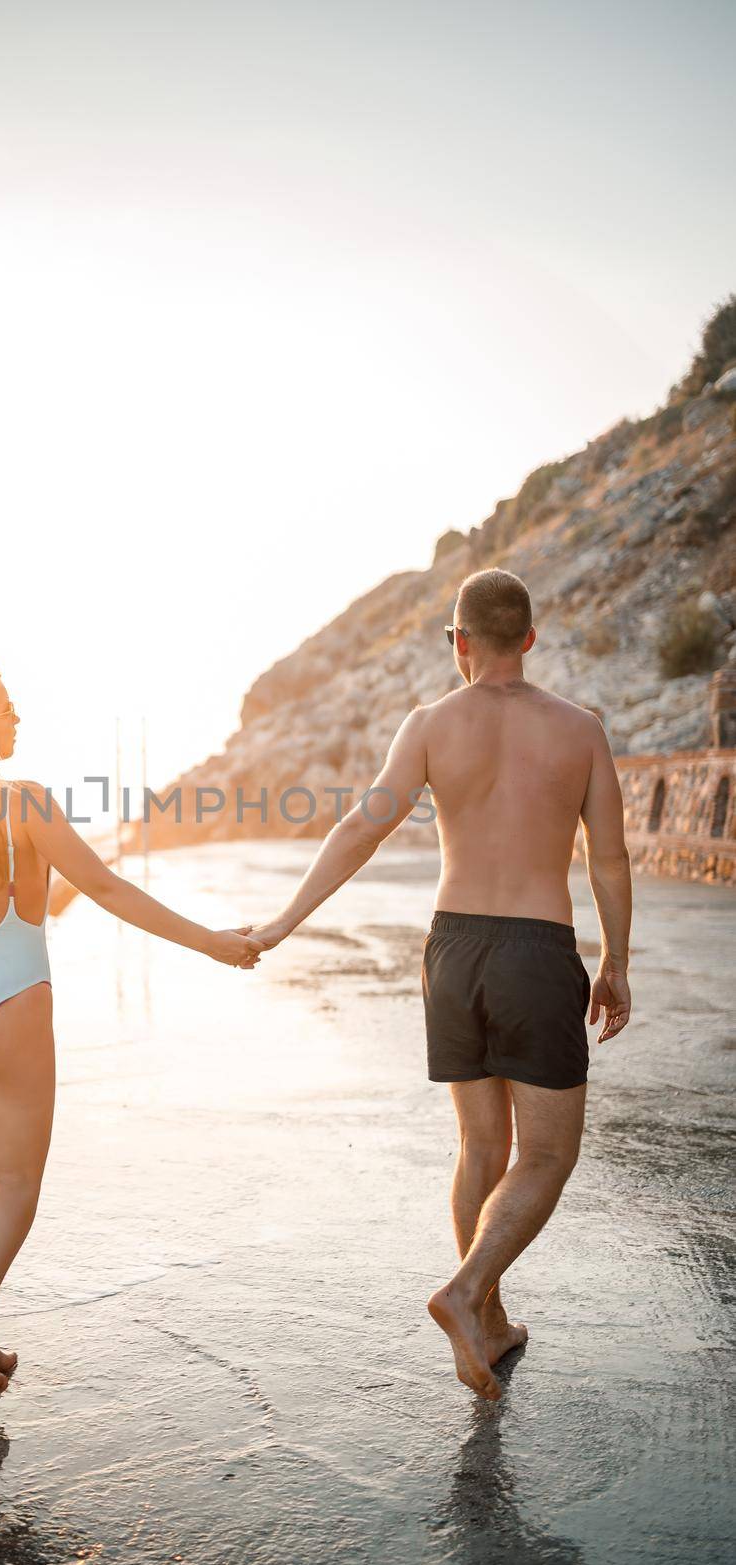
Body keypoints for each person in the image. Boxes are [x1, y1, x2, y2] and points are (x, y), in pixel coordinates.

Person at [252, 568, 632, 1399]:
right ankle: (465, 1295)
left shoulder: (427, 724)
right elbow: (606, 857)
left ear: (456, 642)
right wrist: (613, 962)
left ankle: (488, 1327)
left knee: (479, 1148)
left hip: (451, 950)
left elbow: (362, 826)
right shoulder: (580, 731)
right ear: (527, 639)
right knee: (545, 1155)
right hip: (536, 950)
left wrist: (283, 922)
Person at [0, 661, 262, 1392]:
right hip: (6, 996)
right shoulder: (23, 802)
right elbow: (106, 887)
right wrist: (210, 941)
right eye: (3, 708)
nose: (16, 718)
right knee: (14, 1181)